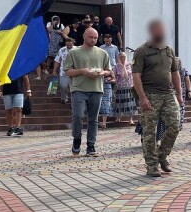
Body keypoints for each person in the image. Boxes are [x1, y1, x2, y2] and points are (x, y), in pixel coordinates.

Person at [132, 20, 183, 177]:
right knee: (149, 131)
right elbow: (135, 76)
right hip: (150, 95)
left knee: (175, 125)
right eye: (157, 29)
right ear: (152, 31)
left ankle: (162, 155)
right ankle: (152, 164)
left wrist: (180, 94)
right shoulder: (142, 51)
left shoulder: (169, 51)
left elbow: (175, 73)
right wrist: (142, 98)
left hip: (168, 94)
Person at [64, 27, 112, 157]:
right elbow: (67, 71)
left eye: (96, 37)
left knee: (93, 119)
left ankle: (91, 145)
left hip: (96, 89)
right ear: (84, 36)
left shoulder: (102, 53)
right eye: (91, 37)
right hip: (78, 89)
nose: (93, 40)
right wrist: (82, 71)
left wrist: (103, 73)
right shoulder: (74, 52)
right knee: (78, 116)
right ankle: (77, 140)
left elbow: (109, 70)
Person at [113, 52, 137, 124]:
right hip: (120, 86)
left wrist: (123, 66)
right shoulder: (116, 66)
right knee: (119, 102)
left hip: (128, 86)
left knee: (129, 102)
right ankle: (118, 117)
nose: (122, 58)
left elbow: (125, 76)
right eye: (120, 57)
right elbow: (114, 75)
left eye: (123, 57)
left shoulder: (129, 65)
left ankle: (130, 119)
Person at [52, 37, 75, 103]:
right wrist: (54, 70)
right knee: (63, 85)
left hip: (74, 72)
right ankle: (64, 98)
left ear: (73, 44)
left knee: (74, 88)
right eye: (68, 45)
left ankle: (74, 100)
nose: (69, 46)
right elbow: (57, 61)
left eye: (70, 45)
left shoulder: (77, 50)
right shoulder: (62, 50)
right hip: (63, 71)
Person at [178, 58, 191, 130]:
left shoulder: (184, 71)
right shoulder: (169, 69)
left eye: (178, 62)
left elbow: (187, 80)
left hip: (181, 91)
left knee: (181, 107)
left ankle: (180, 124)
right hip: (171, 91)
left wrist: (189, 91)